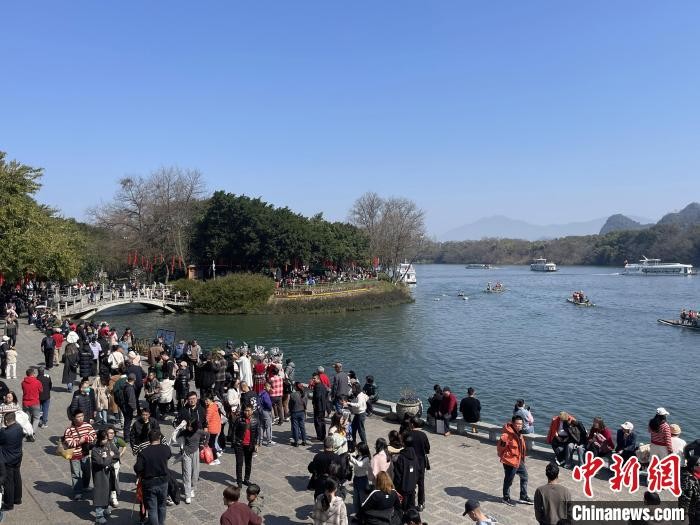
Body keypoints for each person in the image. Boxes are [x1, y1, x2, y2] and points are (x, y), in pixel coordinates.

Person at [134, 429, 171, 525]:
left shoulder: (144, 452)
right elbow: (168, 456)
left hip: (150, 483)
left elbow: (138, 468)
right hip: (163, 481)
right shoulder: (166, 448)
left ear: (149, 439)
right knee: (162, 506)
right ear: (159, 437)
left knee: (152, 508)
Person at [498, 415, 533, 506]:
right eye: (517, 424)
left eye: (521, 424)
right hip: (510, 461)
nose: (519, 426)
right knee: (509, 480)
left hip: (518, 460)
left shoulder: (519, 433)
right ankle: (506, 497)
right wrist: (505, 457)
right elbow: (500, 448)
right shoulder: (506, 435)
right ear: (513, 424)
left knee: (524, 476)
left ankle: (523, 496)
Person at [64, 410, 97, 500]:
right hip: (74, 455)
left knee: (87, 472)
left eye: (82, 416)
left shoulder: (87, 426)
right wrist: (79, 442)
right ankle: (77, 491)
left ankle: (85, 486)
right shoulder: (69, 430)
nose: (81, 418)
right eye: (78, 417)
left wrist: (86, 438)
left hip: (85, 453)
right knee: (76, 474)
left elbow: (93, 436)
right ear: (73, 418)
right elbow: (69, 443)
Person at [91, 429, 118, 524]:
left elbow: (117, 455)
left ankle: (106, 508)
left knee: (108, 491)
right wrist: (110, 457)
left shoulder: (109, 445)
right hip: (100, 476)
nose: (106, 440)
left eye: (106, 438)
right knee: (100, 494)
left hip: (109, 473)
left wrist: (108, 458)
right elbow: (101, 463)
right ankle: (99, 515)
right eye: (104, 439)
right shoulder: (95, 450)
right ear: (99, 439)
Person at [0, 412, 24, 513]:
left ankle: (8, 504)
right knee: (17, 477)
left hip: (8, 459)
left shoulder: (4, 432)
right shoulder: (19, 428)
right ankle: (17, 499)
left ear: (6, 421)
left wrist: (2, 427)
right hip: (17, 456)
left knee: (8, 482)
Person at [406, 416, 430, 511]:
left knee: (411, 482)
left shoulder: (407, 434)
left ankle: (410, 502)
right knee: (421, 483)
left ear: (412, 424)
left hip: (410, 462)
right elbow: (427, 449)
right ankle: (421, 503)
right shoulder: (423, 435)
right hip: (421, 462)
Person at [180, 418, 206, 504]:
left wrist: (205, 443)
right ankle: (187, 495)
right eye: (188, 426)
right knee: (187, 473)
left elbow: (207, 434)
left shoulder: (198, 431)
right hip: (186, 454)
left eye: (191, 426)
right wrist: (180, 427)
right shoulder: (184, 432)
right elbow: (176, 436)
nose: (189, 427)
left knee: (195, 472)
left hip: (195, 452)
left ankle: (192, 488)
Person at [232, 405, 258, 487]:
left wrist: (256, 444)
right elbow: (234, 431)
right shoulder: (239, 419)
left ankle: (246, 479)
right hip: (239, 445)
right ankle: (239, 482)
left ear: (252, 411)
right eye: (245, 410)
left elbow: (257, 433)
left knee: (248, 463)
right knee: (239, 464)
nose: (246, 412)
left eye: (248, 410)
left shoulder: (255, 420)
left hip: (249, 445)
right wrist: (234, 442)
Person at [393, 433, 419, 510]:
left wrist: (396, 487)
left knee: (402, 508)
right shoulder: (415, 456)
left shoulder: (401, 458)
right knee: (411, 507)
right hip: (412, 486)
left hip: (403, 488)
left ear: (403, 443)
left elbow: (398, 475)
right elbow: (418, 470)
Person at [349, 442, 371, 515]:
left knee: (362, 499)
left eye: (358, 449)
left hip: (362, 480)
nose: (357, 450)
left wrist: (351, 458)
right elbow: (353, 463)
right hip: (356, 478)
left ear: (362, 449)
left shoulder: (366, 458)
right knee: (355, 498)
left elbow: (360, 464)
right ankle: (357, 513)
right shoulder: (358, 456)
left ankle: (363, 514)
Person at [21, 368, 42, 437]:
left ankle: (26, 431)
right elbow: (41, 390)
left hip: (25, 402)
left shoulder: (23, 383)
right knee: (36, 418)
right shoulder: (37, 382)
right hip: (35, 402)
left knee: (26, 418)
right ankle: (32, 433)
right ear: (33, 374)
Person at [678, 456, 700, 525]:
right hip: (695, 513)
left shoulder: (698, 476)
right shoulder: (688, 480)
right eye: (698, 464)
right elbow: (684, 499)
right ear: (692, 467)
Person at [205, 394, 223, 464]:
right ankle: (217, 453)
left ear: (211, 400)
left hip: (212, 428)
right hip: (216, 428)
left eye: (207, 400)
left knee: (211, 444)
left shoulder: (210, 408)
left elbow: (207, 419)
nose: (206, 402)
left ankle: (215, 459)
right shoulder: (215, 406)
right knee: (212, 443)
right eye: (205, 400)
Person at [289, 381, 308, 446]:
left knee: (295, 427)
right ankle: (304, 440)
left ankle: (296, 442)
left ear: (295, 387)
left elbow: (290, 405)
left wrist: (290, 411)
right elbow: (305, 403)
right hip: (302, 411)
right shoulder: (304, 394)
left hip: (295, 412)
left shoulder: (293, 395)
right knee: (302, 426)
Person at [312, 371, 330, 441]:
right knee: (322, 421)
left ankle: (319, 437)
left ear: (318, 379)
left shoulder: (317, 387)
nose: (313, 380)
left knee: (318, 422)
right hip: (323, 406)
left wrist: (314, 403)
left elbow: (317, 396)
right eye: (313, 378)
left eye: (314, 378)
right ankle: (323, 435)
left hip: (318, 407)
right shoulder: (323, 385)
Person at [258, 382, 274, 446]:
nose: (269, 388)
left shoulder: (260, 393)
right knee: (268, 427)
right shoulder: (266, 394)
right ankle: (268, 441)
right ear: (265, 387)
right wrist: (270, 409)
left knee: (261, 426)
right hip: (266, 411)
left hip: (261, 411)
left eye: (270, 387)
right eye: (268, 387)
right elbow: (268, 404)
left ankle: (260, 441)